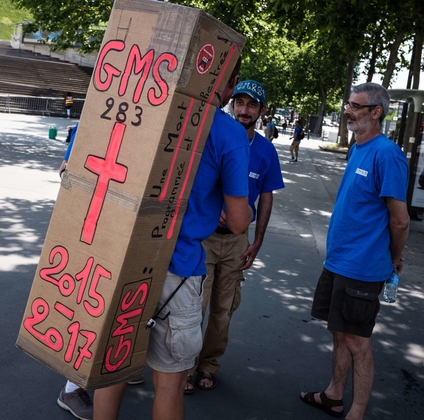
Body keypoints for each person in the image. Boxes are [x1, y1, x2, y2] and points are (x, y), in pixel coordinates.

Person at [93, 58, 252, 420]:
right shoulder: (229, 134)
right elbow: (239, 222)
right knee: (169, 384)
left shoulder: (149, 110)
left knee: (113, 367)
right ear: (232, 84)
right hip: (179, 270)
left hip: (126, 257)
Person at [299, 82, 410, 420]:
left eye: (355, 106)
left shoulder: (388, 154)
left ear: (376, 112)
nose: (346, 110)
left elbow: (400, 221)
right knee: (340, 331)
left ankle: (357, 411)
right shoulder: (358, 147)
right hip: (339, 262)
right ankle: (334, 395)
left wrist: (392, 258)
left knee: (357, 341)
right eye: (347, 103)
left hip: (362, 267)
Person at [186, 80, 284, 393]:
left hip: (237, 242)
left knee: (223, 310)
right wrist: (211, 209)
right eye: (239, 103)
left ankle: (208, 366)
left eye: (251, 105)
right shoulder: (214, 134)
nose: (243, 110)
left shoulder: (266, 150)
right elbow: (190, 177)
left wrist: (257, 241)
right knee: (193, 306)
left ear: (262, 110)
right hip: (205, 238)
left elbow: (266, 197)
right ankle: (184, 368)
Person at [56, 123, 145, 420]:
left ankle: (118, 367)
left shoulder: (152, 122)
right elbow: (68, 170)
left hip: (130, 231)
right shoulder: (96, 123)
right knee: (92, 303)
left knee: (125, 303)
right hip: (97, 230)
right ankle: (72, 386)